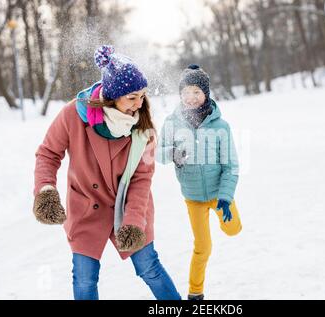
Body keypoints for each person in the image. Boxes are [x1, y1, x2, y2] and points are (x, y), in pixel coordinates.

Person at [33, 45, 181, 300]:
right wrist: (45, 190)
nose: (139, 104)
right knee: (84, 278)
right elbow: (48, 153)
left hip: (130, 207)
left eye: (143, 95)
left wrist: (134, 222)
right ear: (112, 96)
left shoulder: (142, 128)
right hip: (87, 207)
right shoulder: (73, 115)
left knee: (149, 268)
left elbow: (141, 178)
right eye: (132, 97)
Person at [156, 64, 242, 300]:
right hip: (193, 198)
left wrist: (225, 197)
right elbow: (155, 152)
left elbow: (231, 166)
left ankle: (226, 212)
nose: (191, 98)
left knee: (234, 229)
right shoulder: (172, 123)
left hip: (219, 195)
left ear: (206, 94)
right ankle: (195, 294)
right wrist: (172, 153)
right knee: (203, 247)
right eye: (185, 92)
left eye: (196, 92)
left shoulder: (220, 127)